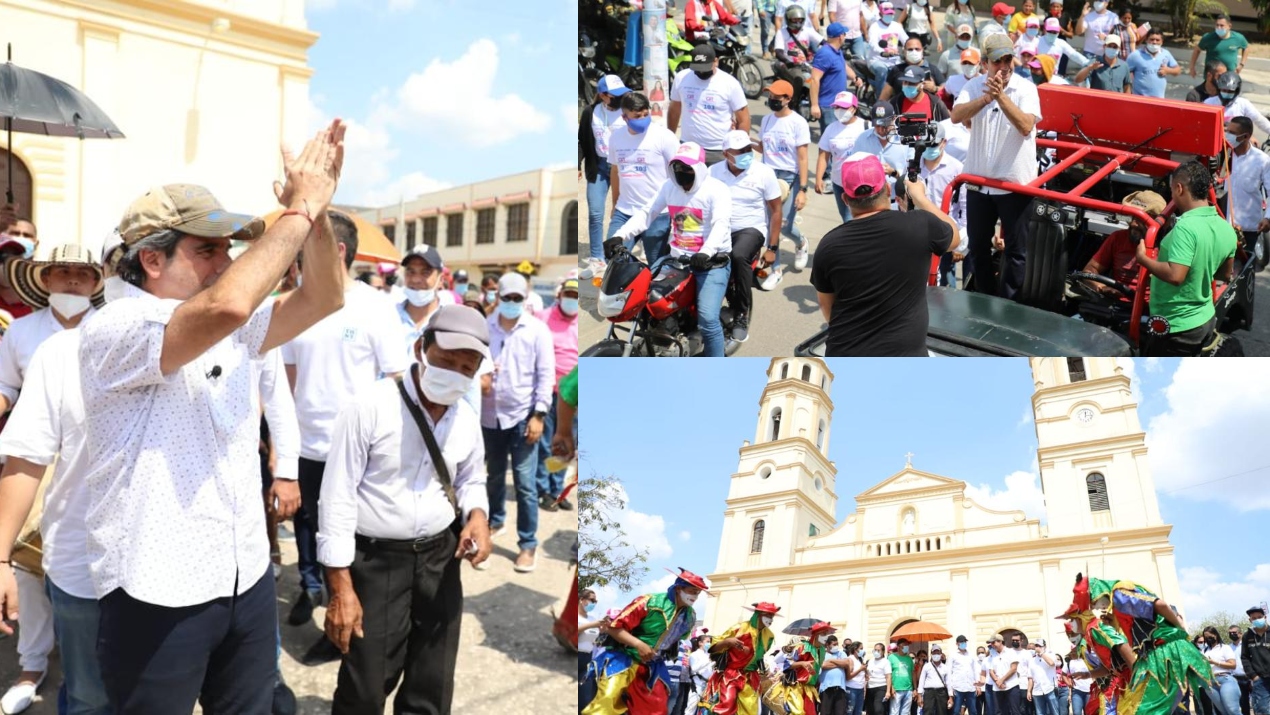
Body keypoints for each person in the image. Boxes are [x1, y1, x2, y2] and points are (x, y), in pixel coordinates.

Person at [69, 122, 347, 711]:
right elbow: (228, 304)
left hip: (241, 574)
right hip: (156, 589)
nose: (226, 262)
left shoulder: (228, 324)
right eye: (207, 250)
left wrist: (317, 212)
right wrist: (298, 208)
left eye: (227, 248)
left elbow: (325, 297)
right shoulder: (113, 328)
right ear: (150, 258)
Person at [317, 304, 492, 715]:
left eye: (466, 368)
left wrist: (478, 516)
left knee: (432, 682)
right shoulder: (370, 406)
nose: (454, 373)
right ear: (420, 348)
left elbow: (471, 478)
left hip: (439, 557)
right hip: (376, 561)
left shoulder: (465, 418)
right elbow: (337, 497)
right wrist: (341, 588)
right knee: (366, 683)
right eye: (446, 360)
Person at [281, 210, 410, 660]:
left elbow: (397, 380)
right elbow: (289, 380)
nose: (296, 260)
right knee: (314, 534)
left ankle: (352, 635)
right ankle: (317, 596)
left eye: (304, 250)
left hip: (358, 454)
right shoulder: (297, 303)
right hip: (306, 450)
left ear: (336, 251)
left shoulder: (375, 307)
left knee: (356, 549)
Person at [811, 152, 956, 356]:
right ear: (888, 189)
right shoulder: (920, 225)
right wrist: (920, 197)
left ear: (845, 199)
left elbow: (828, 308)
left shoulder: (829, 244)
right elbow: (954, 237)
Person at [610, 142, 733, 356]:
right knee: (641, 301)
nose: (682, 173)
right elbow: (647, 212)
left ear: (700, 168)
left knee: (707, 319)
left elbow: (721, 224)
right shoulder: (669, 186)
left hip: (711, 263)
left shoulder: (717, 190)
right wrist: (619, 235)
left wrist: (706, 251)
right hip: (675, 260)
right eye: (677, 167)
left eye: (687, 168)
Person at [950, 32, 1042, 300]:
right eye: (997, 61)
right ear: (985, 64)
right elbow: (956, 115)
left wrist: (1000, 97)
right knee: (978, 246)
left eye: (1008, 59)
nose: (1004, 66)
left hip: (1015, 185)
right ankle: (985, 299)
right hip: (980, 184)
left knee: (1016, 250)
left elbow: (1026, 126)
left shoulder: (1026, 88)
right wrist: (986, 99)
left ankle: (1009, 304)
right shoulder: (974, 86)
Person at [479, 271, 553, 572]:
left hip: (523, 416)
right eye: (506, 297)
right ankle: (495, 521)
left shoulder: (536, 330)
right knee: (493, 475)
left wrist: (539, 415)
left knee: (524, 483)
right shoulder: (485, 328)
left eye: (517, 298)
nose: (511, 303)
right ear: (498, 297)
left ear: (525, 298)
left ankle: (527, 543)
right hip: (489, 415)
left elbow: (545, 375)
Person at [1134, 161, 1236, 355]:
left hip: (1176, 327)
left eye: (1172, 190)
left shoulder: (1185, 228)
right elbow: (1225, 273)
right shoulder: (1225, 228)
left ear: (1179, 188)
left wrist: (1143, 259)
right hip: (1204, 318)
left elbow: (1176, 275)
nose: (1172, 195)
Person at [582, 569, 708, 715]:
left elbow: (675, 640)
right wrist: (639, 644)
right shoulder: (650, 602)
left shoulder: (690, 616)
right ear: (679, 588)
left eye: (698, 593)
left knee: (657, 709)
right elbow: (614, 628)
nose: (695, 596)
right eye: (692, 591)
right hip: (623, 659)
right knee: (606, 704)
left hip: (652, 667)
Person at [710, 130, 783, 341]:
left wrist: (772, 248)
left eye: (748, 149)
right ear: (726, 154)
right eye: (740, 151)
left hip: (751, 229)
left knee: (739, 256)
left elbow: (776, 211)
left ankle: (741, 313)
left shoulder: (764, 172)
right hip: (720, 228)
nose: (746, 153)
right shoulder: (713, 172)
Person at [600, 91, 680, 274]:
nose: (643, 119)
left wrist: (676, 210)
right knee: (613, 257)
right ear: (624, 117)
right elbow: (615, 171)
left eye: (646, 114)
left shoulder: (664, 137)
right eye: (637, 116)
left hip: (657, 213)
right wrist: (614, 204)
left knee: (656, 265)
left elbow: (678, 172)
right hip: (625, 211)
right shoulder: (616, 137)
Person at [759, 79, 813, 276]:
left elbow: (803, 157)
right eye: (770, 96)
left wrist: (803, 190)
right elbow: (763, 148)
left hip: (791, 177)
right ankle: (775, 270)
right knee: (770, 223)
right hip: (768, 175)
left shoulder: (798, 123)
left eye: (776, 97)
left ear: (788, 99)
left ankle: (801, 242)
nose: (772, 99)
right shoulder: (766, 120)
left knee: (785, 226)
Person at [580, 75, 630, 279]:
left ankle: (628, 253)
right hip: (599, 168)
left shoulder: (628, 111)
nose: (620, 98)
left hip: (624, 168)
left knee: (628, 210)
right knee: (595, 213)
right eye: (614, 95)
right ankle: (596, 259)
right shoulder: (590, 113)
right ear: (602, 96)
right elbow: (582, 140)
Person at [535, 276, 578, 510]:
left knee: (565, 446)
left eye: (576, 296)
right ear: (559, 296)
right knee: (546, 444)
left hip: (572, 396)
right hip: (549, 392)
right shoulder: (542, 318)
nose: (572, 300)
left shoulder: (579, 322)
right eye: (568, 295)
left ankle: (557, 489)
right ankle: (544, 490)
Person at [669, 44, 751, 165]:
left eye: (705, 67)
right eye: (698, 68)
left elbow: (744, 119)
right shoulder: (681, 78)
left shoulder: (730, 83)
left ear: (716, 62)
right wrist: (671, 140)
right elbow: (674, 111)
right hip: (689, 148)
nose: (701, 71)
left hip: (719, 151)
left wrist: (738, 149)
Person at [1079, 190, 1165, 298]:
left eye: (1140, 219)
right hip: (1115, 305)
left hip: (1150, 309)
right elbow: (1089, 270)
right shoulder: (1118, 238)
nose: (1133, 224)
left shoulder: (1167, 246)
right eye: (1132, 217)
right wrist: (1101, 287)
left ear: (1156, 221)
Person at [699, 602, 780, 714]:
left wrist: (762, 669)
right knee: (726, 706)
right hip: (731, 675)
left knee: (750, 709)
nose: (770, 619)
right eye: (767, 615)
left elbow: (759, 655)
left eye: (772, 616)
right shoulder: (739, 628)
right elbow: (713, 648)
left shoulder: (769, 636)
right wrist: (728, 642)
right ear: (758, 614)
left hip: (751, 677)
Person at [920, 123, 969, 288]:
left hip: (947, 233)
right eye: (926, 145)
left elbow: (965, 207)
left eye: (933, 144)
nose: (929, 149)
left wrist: (960, 241)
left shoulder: (956, 168)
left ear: (944, 142)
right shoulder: (913, 166)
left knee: (946, 283)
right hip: (920, 233)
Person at [816, 92, 870, 222]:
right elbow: (824, 155)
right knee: (846, 217)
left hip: (860, 183)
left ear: (854, 108)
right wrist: (818, 178)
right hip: (839, 183)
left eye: (844, 107)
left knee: (853, 219)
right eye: (836, 107)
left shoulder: (866, 127)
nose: (839, 111)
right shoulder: (830, 129)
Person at [1224, 117, 1270, 260]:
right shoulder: (1222, 154)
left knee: (1244, 271)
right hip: (1223, 226)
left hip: (1248, 229)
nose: (1228, 135)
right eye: (1227, 131)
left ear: (1246, 136)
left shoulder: (1262, 161)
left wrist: (1268, 218)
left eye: (1232, 132)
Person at [770, 621, 838, 715]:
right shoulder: (802, 647)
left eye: (827, 634)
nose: (826, 637)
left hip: (809, 689)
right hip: (795, 687)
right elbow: (786, 664)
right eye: (823, 634)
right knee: (797, 713)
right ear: (816, 635)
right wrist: (802, 663)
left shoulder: (822, 650)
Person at [810, 22, 865, 134]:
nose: (845, 36)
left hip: (840, 103)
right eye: (844, 34)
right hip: (828, 106)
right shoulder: (825, 54)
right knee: (830, 139)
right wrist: (815, 105)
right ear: (840, 36)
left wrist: (855, 77)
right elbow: (814, 79)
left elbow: (843, 66)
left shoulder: (837, 51)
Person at [852, 103, 913, 202]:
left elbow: (914, 175)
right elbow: (853, 169)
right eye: (877, 125)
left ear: (893, 119)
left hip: (898, 201)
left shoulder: (907, 139)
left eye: (884, 125)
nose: (880, 130)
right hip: (870, 200)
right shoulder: (862, 139)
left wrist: (894, 173)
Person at [772, 4, 824, 110]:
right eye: (794, 19)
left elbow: (823, 41)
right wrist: (787, 61)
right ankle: (794, 102)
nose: (797, 22)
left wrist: (832, 49)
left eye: (800, 19)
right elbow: (778, 51)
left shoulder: (807, 30)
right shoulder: (781, 33)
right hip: (789, 65)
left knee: (821, 77)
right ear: (788, 19)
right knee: (799, 78)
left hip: (806, 64)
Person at [1203, 73, 1270, 139]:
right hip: (1214, 140)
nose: (1227, 93)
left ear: (1236, 91)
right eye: (1224, 90)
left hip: (1238, 143)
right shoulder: (1209, 103)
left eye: (1230, 91)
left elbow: (1259, 120)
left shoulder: (1243, 103)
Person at [882, 37, 946, 102]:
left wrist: (934, 88)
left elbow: (945, 91)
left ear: (922, 50)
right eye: (910, 49)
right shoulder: (897, 69)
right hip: (900, 109)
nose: (914, 52)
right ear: (904, 51)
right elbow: (885, 94)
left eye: (917, 49)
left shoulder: (932, 69)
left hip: (926, 109)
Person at [867, 2, 910, 99]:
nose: (889, 15)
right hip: (877, 60)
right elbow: (873, 44)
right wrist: (883, 52)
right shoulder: (874, 27)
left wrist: (911, 48)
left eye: (891, 13)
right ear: (881, 13)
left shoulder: (896, 26)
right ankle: (880, 99)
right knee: (882, 71)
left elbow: (906, 40)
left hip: (894, 60)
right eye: (887, 14)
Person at [1124, 29, 1179, 97]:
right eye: (1151, 39)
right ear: (1146, 40)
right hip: (1140, 100)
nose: (1154, 42)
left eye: (1157, 40)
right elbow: (1124, 74)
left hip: (1159, 100)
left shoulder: (1166, 54)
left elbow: (1178, 70)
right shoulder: (1135, 55)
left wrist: (1168, 70)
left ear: (1162, 41)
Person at [1191, 15, 1248, 79]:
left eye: (1221, 25)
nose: (1219, 28)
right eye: (1217, 25)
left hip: (1230, 76)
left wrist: (1241, 64)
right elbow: (1197, 50)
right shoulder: (1208, 38)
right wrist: (1192, 67)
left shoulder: (1238, 38)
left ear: (1229, 26)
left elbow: (1246, 48)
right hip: (1211, 77)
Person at [1203, 628, 1243, 715]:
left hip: (1225, 679)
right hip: (1210, 682)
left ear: (1216, 635)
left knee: (1232, 709)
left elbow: (1233, 665)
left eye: (1210, 636)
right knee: (1223, 711)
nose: (1208, 639)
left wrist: (1214, 662)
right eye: (1206, 637)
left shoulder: (1225, 648)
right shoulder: (1205, 650)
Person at [1240, 606, 1270, 715]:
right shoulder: (1247, 636)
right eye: (1254, 618)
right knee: (1262, 709)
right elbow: (1244, 657)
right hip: (1260, 680)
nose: (1257, 619)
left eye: (1259, 617)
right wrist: (1253, 676)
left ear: (1265, 617)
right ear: (1250, 620)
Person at [950, 636, 985, 715]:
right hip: (958, 687)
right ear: (957, 643)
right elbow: (949, 673)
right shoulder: (953, 655)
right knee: (956, 711)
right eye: (961, 642)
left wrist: (978, 686)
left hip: (970, 687)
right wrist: (950, 689)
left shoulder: (971, 655)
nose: (963, 644)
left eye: (965, 642)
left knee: (973, 711)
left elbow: (975, 670)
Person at [822, 635, 855, 715]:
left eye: (837, 644)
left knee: (840, 712)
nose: (836, 646)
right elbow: (823, 665)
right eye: (834, 644)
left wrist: (832, 660)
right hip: (826, 688)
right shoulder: (823, 654)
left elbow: (846, 663)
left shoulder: (841, 653)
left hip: (840, 688)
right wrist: (840, 663)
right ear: (827, 645)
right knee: (826, 712)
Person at [1027, 640, 1059, 715]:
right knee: (1040, 713)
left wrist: (1041, 654)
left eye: (1040, 646)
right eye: (1036, 646)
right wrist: (1029, 691)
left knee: (1055, 712)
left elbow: (1051, 663)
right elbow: (1030, 677)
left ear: (1044, 647)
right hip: (1037, 691)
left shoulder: (1050, 655)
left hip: (1050, 688)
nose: (1037, 648)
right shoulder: (1032, 660)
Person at [687, 634, 716, 714]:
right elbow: (694, 668)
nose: (709, 644)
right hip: (697, 685)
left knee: (704, 709)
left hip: (708, 686)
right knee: (691, 708)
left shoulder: (708, 655)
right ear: (700, 643)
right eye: (707, 642)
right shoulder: (694, 655)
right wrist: (708, 660)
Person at [919, 645, 952, 715]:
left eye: (938, 653)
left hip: (941, 692)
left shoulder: (945, 668)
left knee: (942, 712)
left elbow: (949, 683)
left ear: (941, 654)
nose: (936, 655)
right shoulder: (926, 666)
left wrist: (950, 697)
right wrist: (919, 696)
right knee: (928, 712)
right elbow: (921, 682)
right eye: (934, 653)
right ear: (931, 654)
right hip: (929, 692)